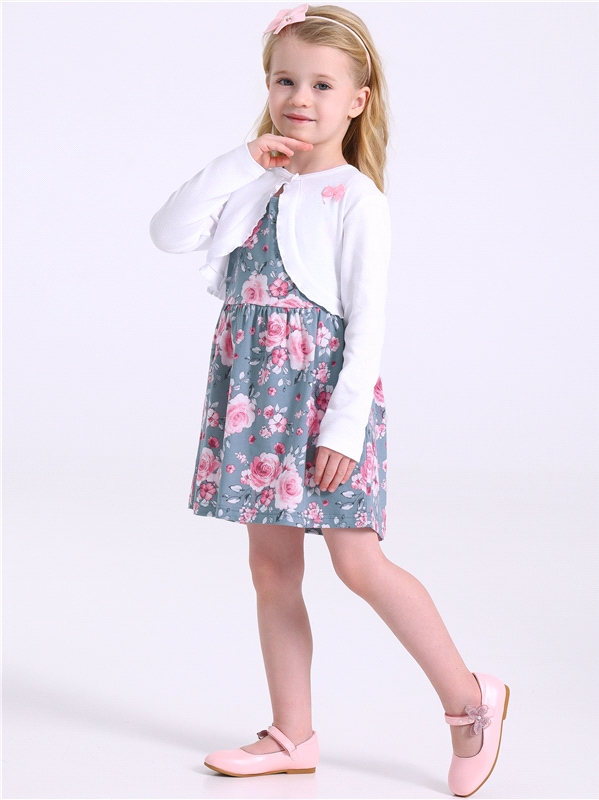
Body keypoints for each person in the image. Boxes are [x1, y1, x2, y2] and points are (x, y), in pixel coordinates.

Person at [149, 4, 509, 796]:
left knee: (357, 561)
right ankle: (293, 733)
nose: (299, 98)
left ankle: (469, 701)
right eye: (284, 81)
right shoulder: (252, 183)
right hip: (253, 401)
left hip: (319, 403)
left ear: (357, 99)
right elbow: (169, 232)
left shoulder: (356, 199)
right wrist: (239, 161)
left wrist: (343, 427)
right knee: (271, 568)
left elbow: (367, 324)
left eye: (320, 84)